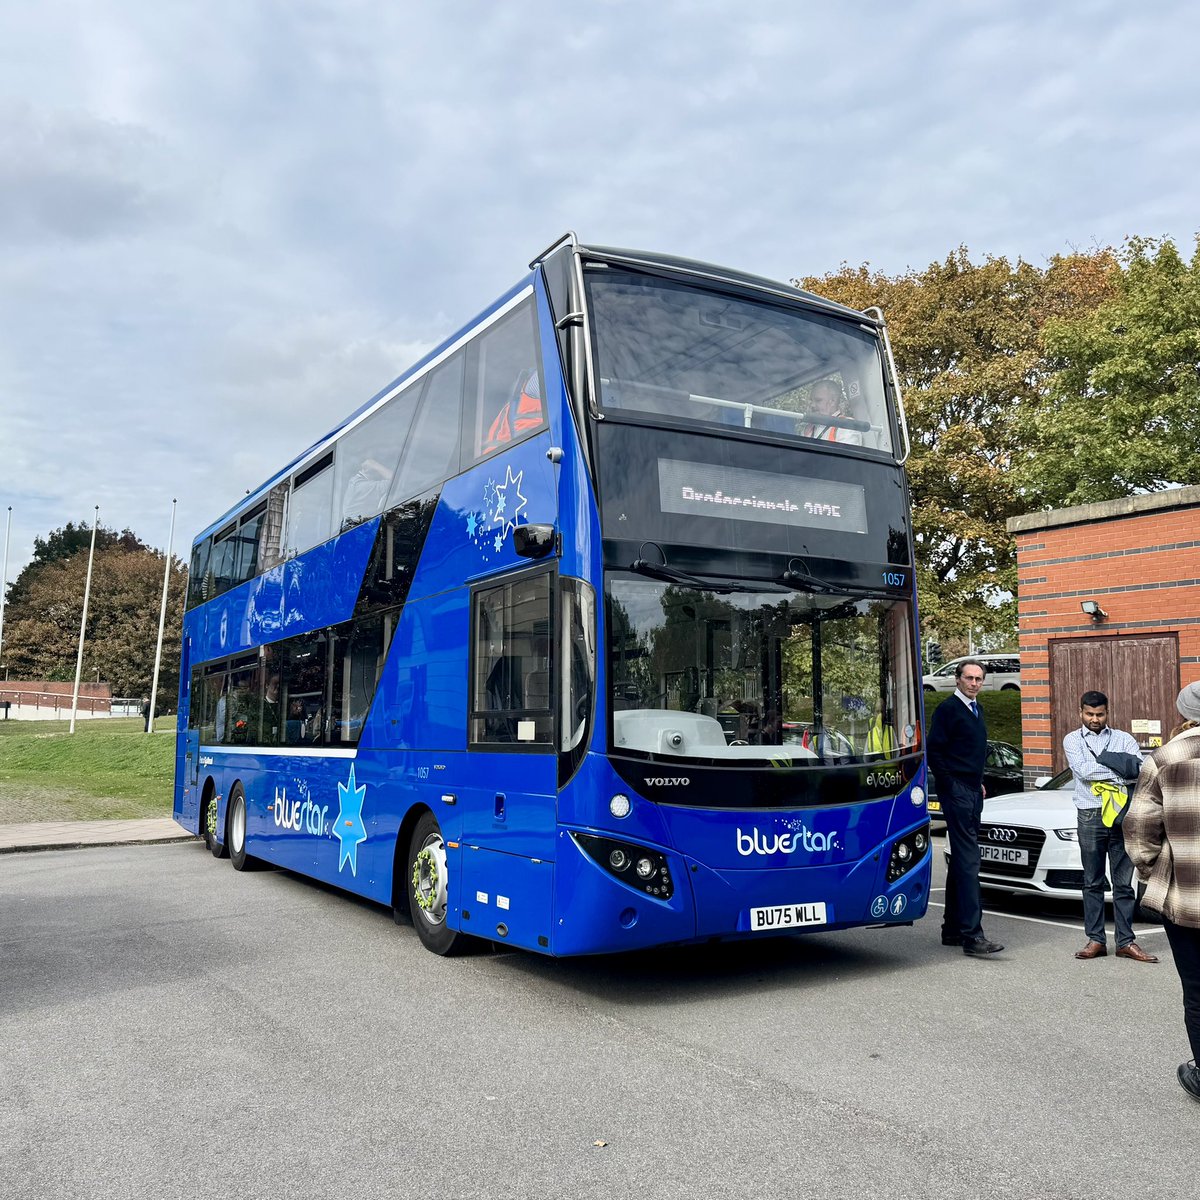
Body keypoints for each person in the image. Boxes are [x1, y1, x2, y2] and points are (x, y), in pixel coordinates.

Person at [1124, 681, 1200, 1102]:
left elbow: (1137, 832)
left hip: (1185, 898)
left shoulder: (1166, 757)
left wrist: (1158, 871)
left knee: (1196, 988)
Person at [1063, 690, 1156, 963]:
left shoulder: (1123, 738)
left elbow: (1136, 770)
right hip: (1090, 814)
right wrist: (1117, 768)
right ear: (1080, 712)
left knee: (1124, 883)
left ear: (1107, 712)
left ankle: (1126, 942)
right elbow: (1083, 771)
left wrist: (1110, 768)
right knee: (1092, 881)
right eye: (1089, 714)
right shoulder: (1073, 740)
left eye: (1100, 714)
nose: (1094, 719)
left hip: (1122, 814)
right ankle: (1095, 940)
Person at [926, 658, 1004, 956]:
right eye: (969, 678)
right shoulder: (948, 709)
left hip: (973, 790)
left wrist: (977, 781)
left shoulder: (976, 708)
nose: (974, 683)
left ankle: (952, 930)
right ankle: (973, 935)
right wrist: (950, 784)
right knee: (970, 861)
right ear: (958, 679)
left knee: (961, 860)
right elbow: (935, 750)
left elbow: (971, 752)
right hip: (957, 791)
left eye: (979, 679)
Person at [800, 380, 864, 446]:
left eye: (818, 400)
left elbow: (845, 455)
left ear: (833, 401)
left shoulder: (846, 426)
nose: (812, 405)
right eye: (811, 401)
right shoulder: (808, 429)